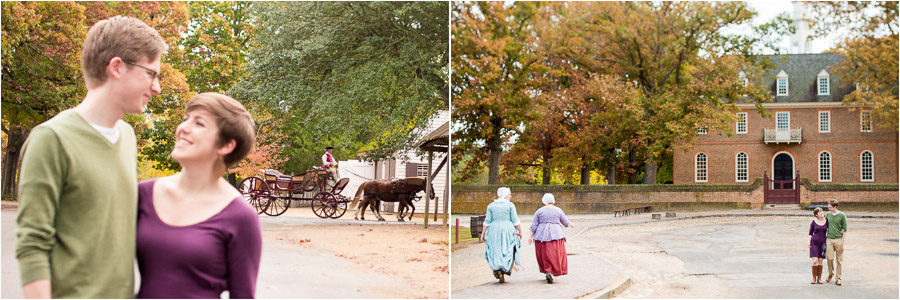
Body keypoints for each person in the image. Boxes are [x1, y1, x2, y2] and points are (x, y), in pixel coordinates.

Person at [15, 16, 166, 298]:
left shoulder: (127, 137)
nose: (156, 87)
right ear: (117, 67)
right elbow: (33, 245)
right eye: (151, 74)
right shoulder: (51, 139)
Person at [136, 92, 262, 298]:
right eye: (186, 119)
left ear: (226, 145)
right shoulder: (144, 194)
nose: (183, 128)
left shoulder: (240, 216)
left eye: (199, 123)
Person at [527, 193, 575, 284]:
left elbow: (534, 225)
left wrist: (530, 237)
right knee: (555, 253)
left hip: (541, 235)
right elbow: (565, 221)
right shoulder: (558, 210)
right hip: (556, 234)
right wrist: (570, 224)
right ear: (553, 200)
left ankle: (547, 270)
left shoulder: (539, 211)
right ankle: (553, 270)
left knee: (543, 254)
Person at [480, 187, 522, 283]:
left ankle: (497, 268)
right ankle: (504, 268)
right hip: (507, 229)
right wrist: (520, 232)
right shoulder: (510, 206)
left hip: (494, 229)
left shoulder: (491, 206)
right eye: (509, 195)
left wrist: (483, 234)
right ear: (506, 195)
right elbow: (515, 221)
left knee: (496, 249)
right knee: (508, 249)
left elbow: (487, 221)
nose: (510, 196)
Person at [824, 199, 848, 286]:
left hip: (839, 239)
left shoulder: (842, 215)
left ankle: (838, 278)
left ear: (835, 207)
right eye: (828, 207)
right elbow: (825, 224)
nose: (828, 208)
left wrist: (843, 239)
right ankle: (831, 274)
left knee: (839, 260)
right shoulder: (828, 214)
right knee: (829, 258)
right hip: (829, 239)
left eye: (830, 207)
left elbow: (845, 228)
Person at [808, 207, 828, 284]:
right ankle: (814, 278)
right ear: (816, 215)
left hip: (823, 243)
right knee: (815, 261)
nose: (822, 213)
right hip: (814, 242)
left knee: (820, 261)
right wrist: (808, 242)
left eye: (822, 211)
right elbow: (810, 233)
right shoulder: (813, 222)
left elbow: (832, 229)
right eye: (820, 212)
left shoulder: (827, 222)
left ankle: (819, 278)